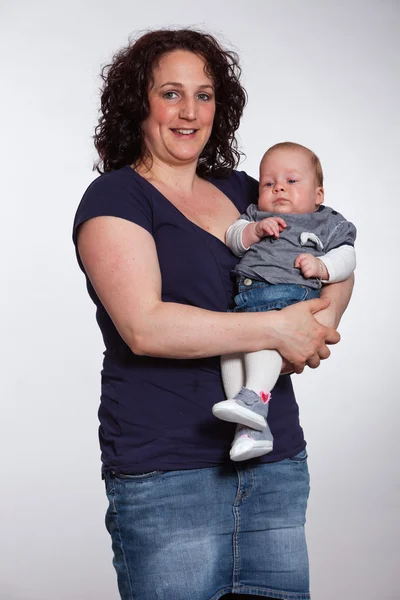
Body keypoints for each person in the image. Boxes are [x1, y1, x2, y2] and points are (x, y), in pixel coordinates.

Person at [72, 28, 353, 600]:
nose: (189, 111)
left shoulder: (247, 190)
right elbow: (145, 326)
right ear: (138, 102)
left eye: (204, 95)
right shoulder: (115, 199)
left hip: (273, 460)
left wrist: (318, 324)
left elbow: (334, 247)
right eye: (170, 93)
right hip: (167, 471)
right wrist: (277, 328)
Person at [213, 142, 356, 461]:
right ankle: (250, 426)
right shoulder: (255, 214)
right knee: (230, 350)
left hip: (288, 297)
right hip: (248, 298)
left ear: (318, 195)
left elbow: (347, 256)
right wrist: (252, 231)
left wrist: (322, 267)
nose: (278, 187)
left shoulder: (326, 221)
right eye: (268, 183)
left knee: (261, 342)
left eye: (292, 181)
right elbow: (234, 238)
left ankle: (255, 399)